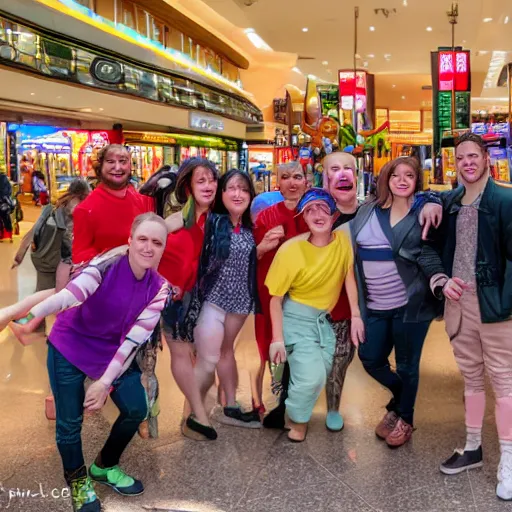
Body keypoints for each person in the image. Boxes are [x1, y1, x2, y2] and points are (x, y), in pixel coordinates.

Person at [8, 213, 171, 512]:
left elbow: (133, 341)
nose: (149, 248)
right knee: (70, 424)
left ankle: (104, 466)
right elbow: (69, 295)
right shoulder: (104, 266)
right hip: (70, 347)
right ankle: (78, 480)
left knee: (136, 408)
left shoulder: (160, 289)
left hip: (113, 354)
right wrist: (33, 316)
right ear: (130, 241)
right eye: (143, 239)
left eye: (157, 242)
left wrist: (104, 383)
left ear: (163, 248)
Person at [422, 133, 512, 500]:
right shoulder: (450, 201)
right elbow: (426, 249)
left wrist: (505, 302)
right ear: (455, 163)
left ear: (487, 159)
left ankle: (508, 455)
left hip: (496, 307)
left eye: (474, 156)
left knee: (504, 381)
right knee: (472, 379)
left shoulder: (505, 200)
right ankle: (473, 446)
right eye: (461, 158)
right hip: (459, 306)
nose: (468, 163)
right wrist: (441, 282)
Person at [351, 157, 444, 447]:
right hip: (375, 304)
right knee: (370, 357)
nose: (402, 180)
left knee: (406, 365)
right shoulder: (367, 211)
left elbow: (429, 252)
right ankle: (400, 400)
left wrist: (432, 199)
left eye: (409, 175)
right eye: (396, 175)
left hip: (411, 305)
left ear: (417, 180)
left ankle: (405, 418)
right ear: (385, 179)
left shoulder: (423, 211)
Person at [266, 188, 362, 442]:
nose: (316, 214)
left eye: (322, 208)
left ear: (333, 215)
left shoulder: (342, 242)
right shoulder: (290, 250)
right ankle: (296, 420)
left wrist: (356, 316)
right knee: (311, 377)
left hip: (323, 321)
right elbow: (275, 299)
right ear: (303, 218)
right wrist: (277, 338)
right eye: (309, 210)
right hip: (296, 318)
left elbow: (348, 276)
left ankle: (293, 410)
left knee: (320, 372)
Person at [144, 158, 221, 441]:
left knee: (206, 361)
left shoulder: (217, 220)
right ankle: (198, 416)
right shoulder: (176, 220)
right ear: (187, 187)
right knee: (181, 353)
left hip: (203, 297)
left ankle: (190, 414)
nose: (208, 185)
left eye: (212, 179)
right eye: (201, 181)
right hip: (171, 296)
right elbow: (145, 246)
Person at [190, 169, 260, 427]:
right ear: (221, 193)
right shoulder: (209, 222)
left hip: (240, 304)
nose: (238, 194)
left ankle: (229, 405)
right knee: (207, 359)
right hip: (211, 301)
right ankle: (193, 414)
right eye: (232, 188)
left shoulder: (248, 227)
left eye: (244, 189)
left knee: (225, 352)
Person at [252, 161, 308, 416]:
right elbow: (251, 258)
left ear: (307, 182)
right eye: (286, 177)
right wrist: (263, 245)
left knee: (300, 344)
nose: (292, 182)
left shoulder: (313, 212)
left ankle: (291, 396)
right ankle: (266, 397)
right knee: (267, 342)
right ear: (278, 183)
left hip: (304, 293)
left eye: (297, 177)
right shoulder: (265, 216)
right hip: (269, 291)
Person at [72, 144, 154, 265]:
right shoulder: (85, 209)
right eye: (110, 161)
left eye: (123, 161)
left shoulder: (143, 201)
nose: (117, 167)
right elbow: (80, 257)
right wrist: (117, 255)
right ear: (100, 167)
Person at [13, 179, 91, 293]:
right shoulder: (76, 210)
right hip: (55, 260)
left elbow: (32, 233)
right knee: (51, 296)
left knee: (42, 292)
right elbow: (69, 242)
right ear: (83, 194)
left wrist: (18, 258)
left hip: (41, 256)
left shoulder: (54, 206)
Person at [0, 171, 14, 241]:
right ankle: (10, 236)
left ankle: (1, 236)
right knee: (6, 218)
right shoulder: (5, 179)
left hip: (1, 201)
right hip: (5, 202)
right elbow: (9, 191)